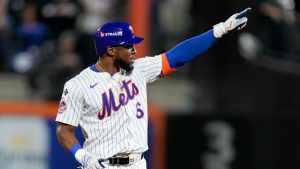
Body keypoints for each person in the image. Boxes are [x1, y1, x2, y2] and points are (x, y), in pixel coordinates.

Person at [55, 8, 251, 169]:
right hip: (102, 164)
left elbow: (178, 56)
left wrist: (220, 29)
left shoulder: (138, 69)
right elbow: (64, 130)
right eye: (129, 46)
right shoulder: (77, 85)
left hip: (138, 164)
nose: (135, 50)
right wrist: (83, 157)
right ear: (111, 50)